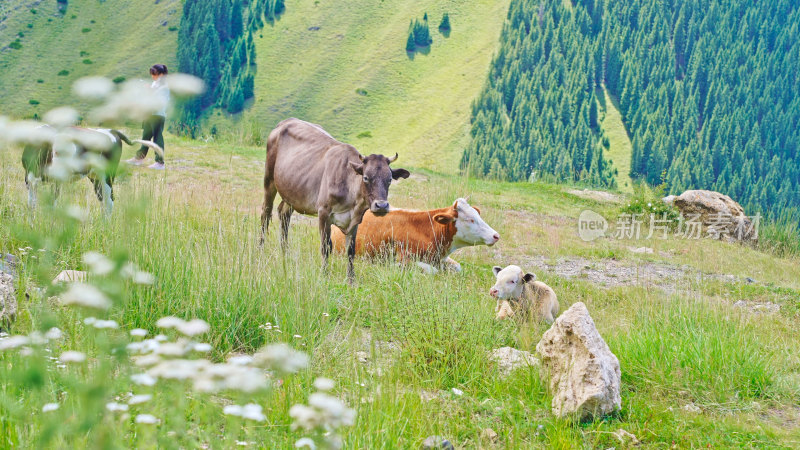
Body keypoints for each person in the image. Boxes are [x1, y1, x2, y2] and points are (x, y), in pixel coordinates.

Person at [126, 64, 170, 169]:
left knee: (157, 138)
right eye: (152, 74)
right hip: (149, 114)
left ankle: (160, 163)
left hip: (157, 114)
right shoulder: (155, 83)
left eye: (154, 74)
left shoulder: (164, 87)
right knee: (145, 137)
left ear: (162, 74)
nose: (153, 76)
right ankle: (138, 159)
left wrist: (151, 91)